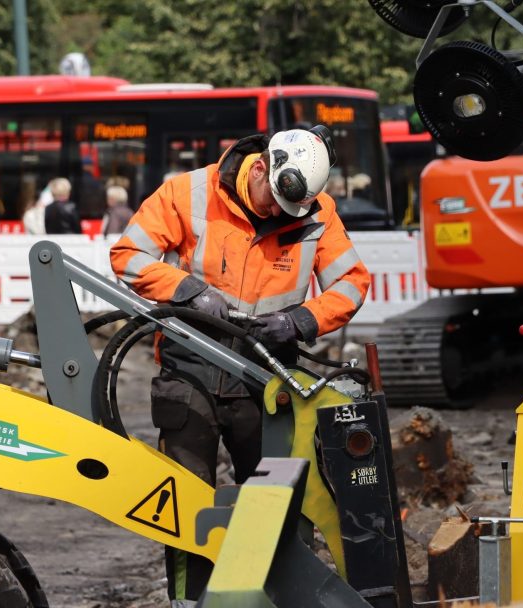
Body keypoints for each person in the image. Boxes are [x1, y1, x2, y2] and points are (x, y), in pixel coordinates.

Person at [109, 125, 370, 606]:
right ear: (262, 167)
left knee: (280, 504)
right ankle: (191, 603)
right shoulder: (189, 192)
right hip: (192, 371)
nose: (275, 214)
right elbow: (128, 256)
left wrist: (299, 321)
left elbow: (351, 283)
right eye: (272, 201)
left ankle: (279, 598)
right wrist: (188, 291)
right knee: (186, 506)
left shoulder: (316, 211)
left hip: (268, 379)